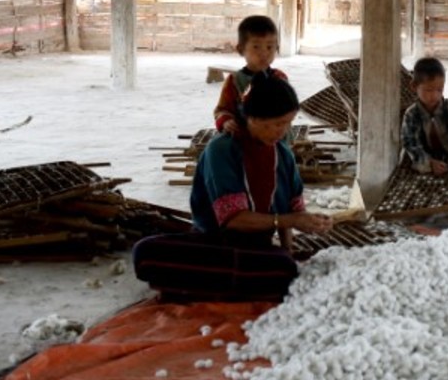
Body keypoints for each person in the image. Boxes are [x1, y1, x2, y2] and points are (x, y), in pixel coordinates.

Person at [134, 73, 333, 302]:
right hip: (215, 244)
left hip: (258, 247)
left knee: (283, 267)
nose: (284, 131)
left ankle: (199, 285)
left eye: (289, 123)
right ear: (253, 118)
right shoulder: (222, 150)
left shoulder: (283, 155)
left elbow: (292, 212)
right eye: (278, 123)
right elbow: (234, 220)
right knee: (144, 252)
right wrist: (291, 220)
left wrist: (293, 243)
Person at [214, 15, 288, 136]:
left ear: (277, 49)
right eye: (256, 47)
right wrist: (226, 121)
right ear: (241, 49)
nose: (264, 53)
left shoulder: (280, 78)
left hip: (274, 136)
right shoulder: (234, 81)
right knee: (217, 145)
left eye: (269, 47)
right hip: (243, 135)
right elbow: (222, 110)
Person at [400, 57, 448, 175]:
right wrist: (429, 163)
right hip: (423, 159)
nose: (434, 96)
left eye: (439, 90)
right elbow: (410, 143)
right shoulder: (411, 114)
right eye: (428, 90)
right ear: (414, 86)